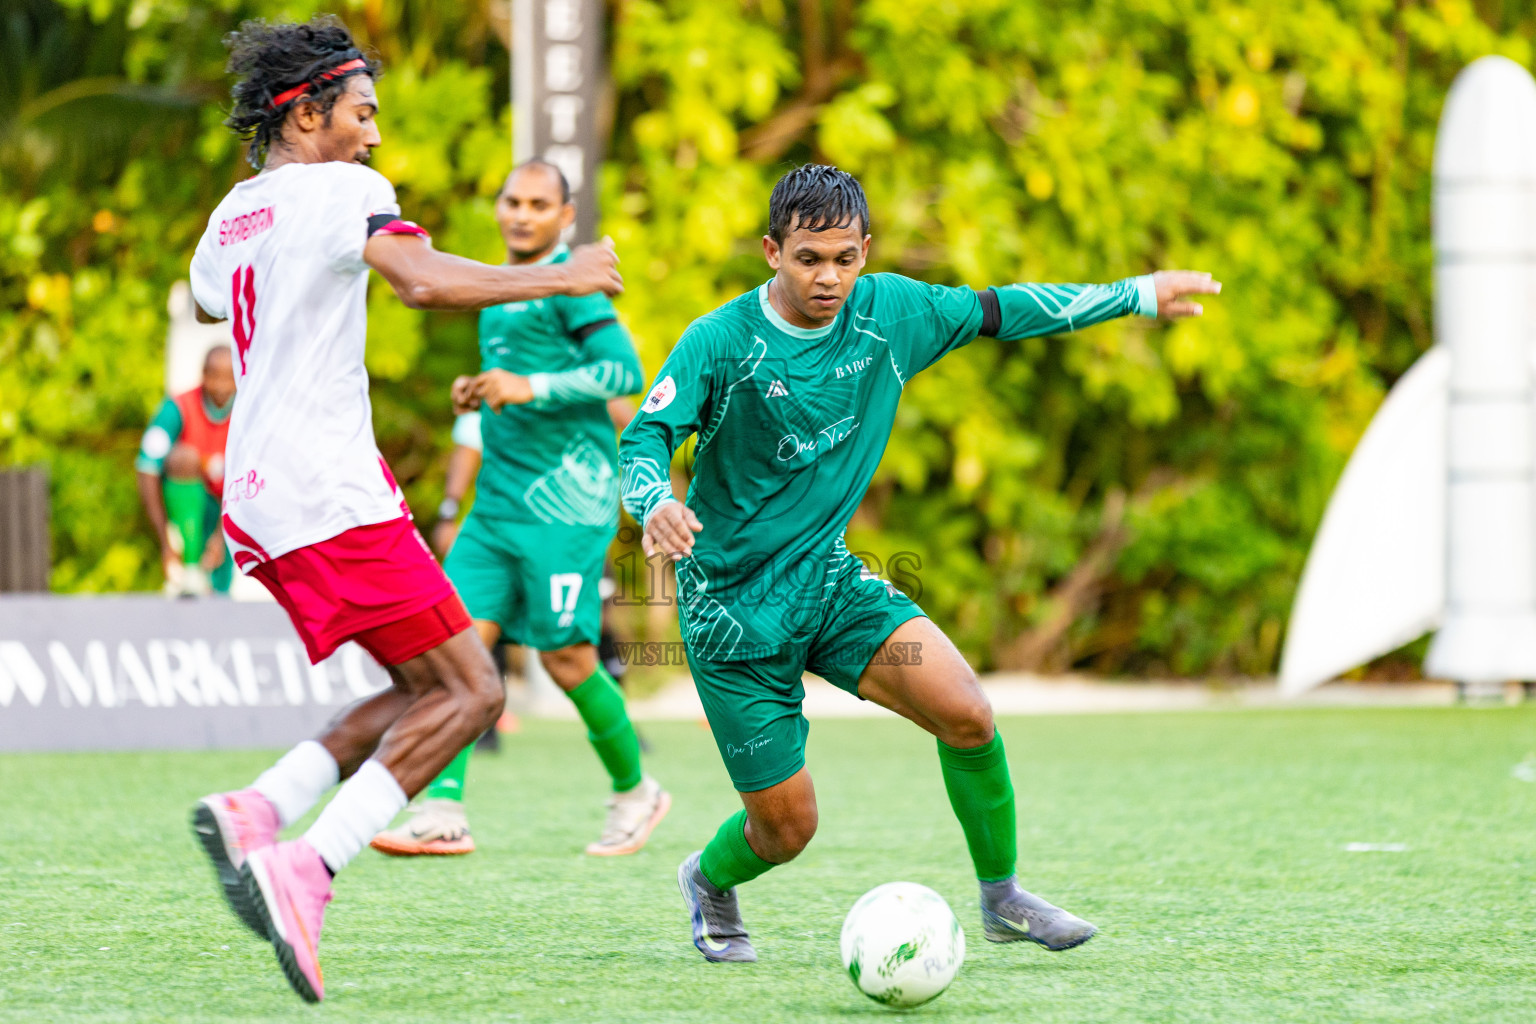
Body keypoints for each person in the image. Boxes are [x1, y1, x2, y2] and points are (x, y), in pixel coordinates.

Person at [618, 164, 1220, 963]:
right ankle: (708, 879)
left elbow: (1005, 310)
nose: (827, 276)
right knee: (787, 829)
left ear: (865, 250)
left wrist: (1137, 294)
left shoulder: (890, 313)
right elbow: (644, 439)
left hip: (829, 585)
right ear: (771, 251)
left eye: (843, 257)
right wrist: (654, 499)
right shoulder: (720, 343)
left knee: (967, 712)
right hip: (732, 616)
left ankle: (1003, 900)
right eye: (807, 258)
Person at [184, 17, 622, 1003]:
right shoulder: (347, 190)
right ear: (305, 113)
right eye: (362, 112)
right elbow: (419, 280)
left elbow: (214, 299)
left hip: (257, 499)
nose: (376, 136)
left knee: (429, 683)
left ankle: (258, 809)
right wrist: (563, 271)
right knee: (474, 692)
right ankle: (308, 864)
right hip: (330, 489)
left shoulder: (234, 212)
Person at [371, 160, 667, 858]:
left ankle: (636, 790)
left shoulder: (572, 291)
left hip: (567, 506)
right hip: (498, 505)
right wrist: (480, 390)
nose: (523, 214)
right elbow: (517, 382)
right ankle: (444, 810)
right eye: (513, 200)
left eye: (540, 204)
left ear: (566, 219)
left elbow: (623, 374)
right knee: (458, 650)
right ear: (497, 208)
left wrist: (528, 385)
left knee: (566, 659)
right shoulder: (496, 292)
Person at [136, 344, 236, 596]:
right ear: (203, 375)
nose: (222, 386)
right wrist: (164, 541)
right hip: (187, 506)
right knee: (184, 457)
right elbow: (146, 468)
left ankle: (212, 574)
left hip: (230, 512)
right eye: (215, 377)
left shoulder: (248, 411)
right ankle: (186, 563)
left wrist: (223, 537)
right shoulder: (178, 408)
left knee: (218, 598)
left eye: (229, 378)